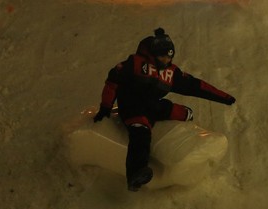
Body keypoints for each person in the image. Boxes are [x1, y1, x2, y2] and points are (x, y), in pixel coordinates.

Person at [94, 27, 236, 192]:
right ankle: (136, 173)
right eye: (162, 56)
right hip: (132, 106)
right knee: (140, 132)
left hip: (152, 104)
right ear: (153, 54)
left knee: (181, 112)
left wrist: (224, 97)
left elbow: (196, 86)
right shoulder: (134, 64)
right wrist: (105, 107)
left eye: (169, 57)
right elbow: (112, 84)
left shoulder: (170, 72)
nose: (166, 60)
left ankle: (185, 123)